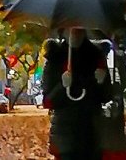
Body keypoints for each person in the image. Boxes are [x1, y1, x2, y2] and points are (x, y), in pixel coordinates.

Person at [42, 27, 110, 160]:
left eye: (79, 29)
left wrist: (102, 82)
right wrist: (62, 86)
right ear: (64, 31)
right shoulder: (56, 56)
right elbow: (48, 101)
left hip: (92, 131)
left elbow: (107, 96)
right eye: (71, 29)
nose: (74, 33)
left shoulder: (96, 56)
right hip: (64, 131)